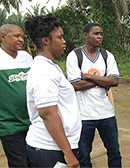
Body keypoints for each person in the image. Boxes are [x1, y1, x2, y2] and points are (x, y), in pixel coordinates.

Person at [25, 15, 81, 168]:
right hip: (49, 150)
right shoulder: (43, 71)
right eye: (60, 37)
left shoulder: (49, 66)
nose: (64, 41)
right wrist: (68, 153)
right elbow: (47, 113)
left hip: (54, 147)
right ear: (46, 41)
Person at [66, 23, 121, 168]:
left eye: (101, 34)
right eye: (95, 33)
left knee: (114, 152)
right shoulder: (75, 56)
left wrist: (89, 77)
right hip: (84, 116)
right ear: (86, 35)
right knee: (84, 155)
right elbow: (75, 85)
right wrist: (104, 80)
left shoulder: (107, 55)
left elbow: (115, 81)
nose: (99, 37)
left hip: (106, 113)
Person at [0, 24, 32, 168]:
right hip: (10, 126)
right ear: (2, 37)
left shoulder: (26, 57)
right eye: (16, 36)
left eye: (22, 37)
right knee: (19, 164)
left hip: (33, 123)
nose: (21, 40)